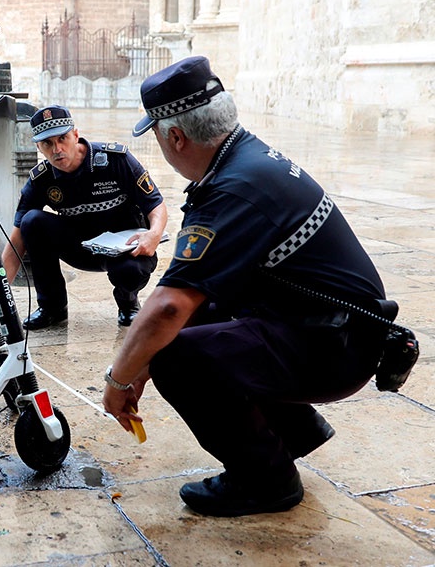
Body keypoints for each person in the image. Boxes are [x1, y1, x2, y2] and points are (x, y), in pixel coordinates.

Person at [101, 56, 391, 517]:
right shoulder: (245, 159)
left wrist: (120, 378)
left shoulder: (232, 190)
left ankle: (266, 480)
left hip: (337, 346)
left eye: (157, 135)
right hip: (335, 329)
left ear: (175, 136)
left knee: (176, 357)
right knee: (204, 313)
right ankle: (293, 434)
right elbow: (192, 297)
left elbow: (167, 308)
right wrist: (141, 360)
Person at [2, 105, 168, 330]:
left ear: (76, 135)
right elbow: (16, 242)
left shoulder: (115, 159)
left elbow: (156, 205)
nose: (57, 149)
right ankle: (53, 308)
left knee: (130, 272)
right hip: (80, 248)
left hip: (124, 249)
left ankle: (128, 305)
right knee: (31, 221)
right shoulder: (41, 179)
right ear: (39, 147)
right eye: (47, 144)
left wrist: (154, 234)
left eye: (63, 138)